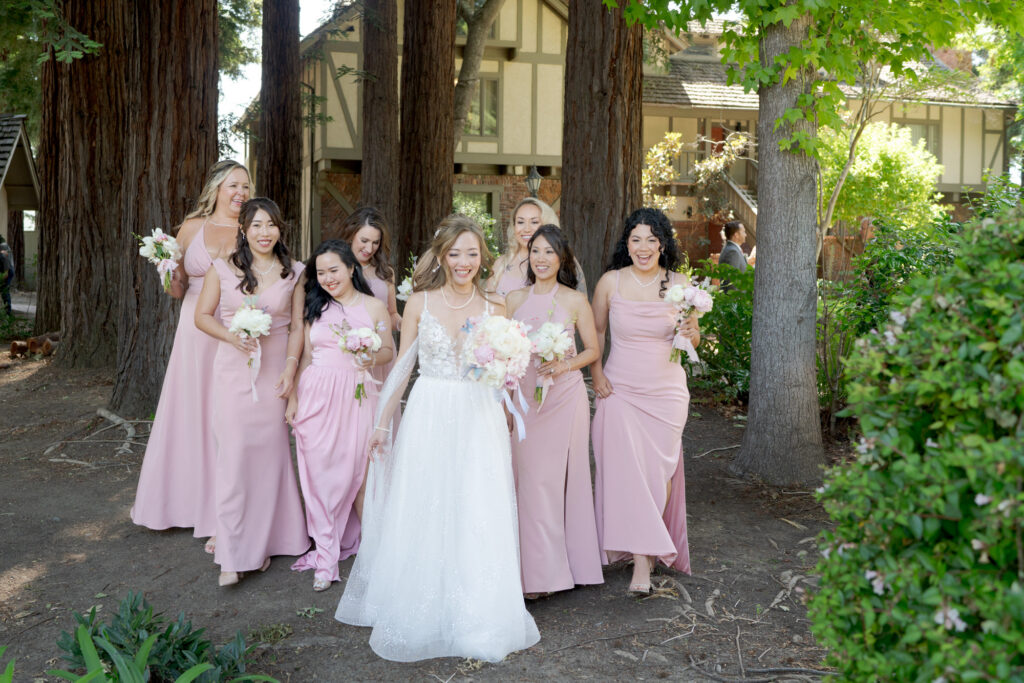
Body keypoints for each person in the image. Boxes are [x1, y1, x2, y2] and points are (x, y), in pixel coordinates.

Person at [336, 215, 540, 662]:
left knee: (475, 504)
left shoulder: (496, 306)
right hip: (429, 412)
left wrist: (506, 399)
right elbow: (404, 367)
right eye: (455, 253)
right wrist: (382, 423)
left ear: (482, 256)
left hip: (478, 415)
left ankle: (477, 610)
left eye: (471, 253)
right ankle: (422, 602)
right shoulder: (419, 303)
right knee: (426, 501)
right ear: (442, 256)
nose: (463, 262)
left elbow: (507, 368)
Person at [131, 160, 257, 553]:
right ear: (217, 187)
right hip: (194, 329)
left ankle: (227, 509)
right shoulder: (191, 227)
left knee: (228, 415)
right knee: (191, 412)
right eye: (234, 185)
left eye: (246, 187)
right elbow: (177, 289)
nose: (240, 193)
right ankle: (183, 505)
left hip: (235, 327)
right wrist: (165, 267)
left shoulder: (253, 228)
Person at [195, 197, 309, 587]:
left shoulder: (294, 272)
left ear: (281, 229)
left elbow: (297, 326)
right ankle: (232, 554)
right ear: (243, 229)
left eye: (271, 225)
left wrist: (292, 369)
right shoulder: (223, 269)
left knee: (268, 460)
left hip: (275, 371)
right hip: (233, 372)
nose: (265, 233)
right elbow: (201, 317)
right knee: (233, 460)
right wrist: (231, 336)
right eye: (257, 225)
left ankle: (262, 544)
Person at [590, 207, 699, 595]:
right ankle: (641, 561)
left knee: (657, 471)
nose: (644, 247)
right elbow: (595, 334)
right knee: (623, 469)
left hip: (666, 392)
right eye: (636, 239)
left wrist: (689, 330)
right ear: (627, 244)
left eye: (652, 239)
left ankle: (648, 551)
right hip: (619, 388)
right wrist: (597, 376)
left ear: (663, 244)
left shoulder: (680, 284)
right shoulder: (610, 283)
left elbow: (693, 340)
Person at [286, 240, 393, 592]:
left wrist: (369, 358)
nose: (328, 278)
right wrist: (293, 399)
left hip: (358, 395)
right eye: (321, 272)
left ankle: (376, 549)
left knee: (355, 473)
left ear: (351, 268)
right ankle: (326, 556)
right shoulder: (316, 307)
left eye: (334, 270)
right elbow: (304, 357)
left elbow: (388, 351)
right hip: (316, 393)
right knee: (317, 475)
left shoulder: (374, 307)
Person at [505, 225, 603, 599]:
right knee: (529, 481)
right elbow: (506, 351)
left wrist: (563, 365)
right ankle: (533, 570)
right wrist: (507, 401)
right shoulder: (513, 299)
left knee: (562, 480)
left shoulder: (576, 300)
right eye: (535, 251)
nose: (541, 258)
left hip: (564, 398)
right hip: (526, 398)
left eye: (549, 252)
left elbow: (592, 350)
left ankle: (565, 568)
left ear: (561, 258)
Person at [485, 197, 587, 296]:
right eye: (520, 222)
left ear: (547, 225)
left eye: (534, 222)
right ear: (514, 226)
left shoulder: (562, 261)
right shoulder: (501, 264)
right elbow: (487, 306)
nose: (527, 229)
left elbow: (578, 306)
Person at [718, 221, 748, 291]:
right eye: (743, 232)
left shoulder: (733, 249)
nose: (745, 235)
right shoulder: (732, 252)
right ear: (736, 235)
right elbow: (732, 283)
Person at [0, 240, 13, 316]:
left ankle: (8, 312)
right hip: (3, 271)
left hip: (7, 271)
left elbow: (6, 272)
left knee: (4, 291)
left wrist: (5, 273)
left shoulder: (3, 253)